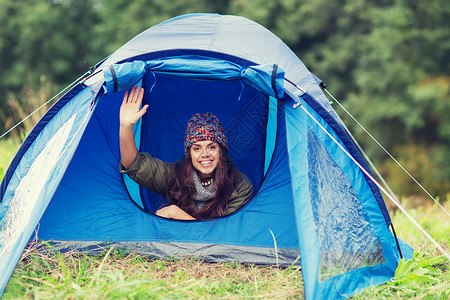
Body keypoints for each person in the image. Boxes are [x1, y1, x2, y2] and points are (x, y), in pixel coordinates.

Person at [119, 86, 254, 220]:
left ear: (221, 150)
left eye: (212, 147)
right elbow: (133, 165)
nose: (205, 154)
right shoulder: (175, 175)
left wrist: (175, 214)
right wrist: (126, 126)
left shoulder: (241, 187)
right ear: (189, 153)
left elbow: (223, 235)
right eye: (196, 148)